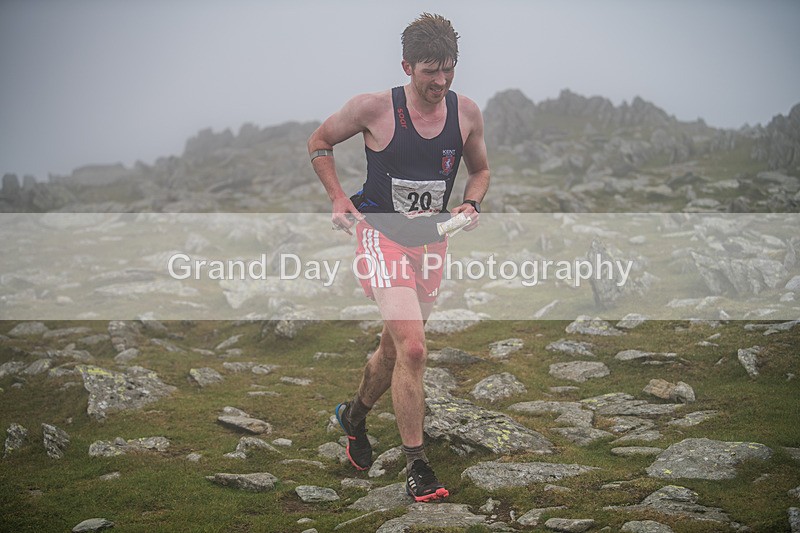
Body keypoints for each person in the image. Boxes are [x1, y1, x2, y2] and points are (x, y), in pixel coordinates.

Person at [307, 12, 490, 502]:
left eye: (449, 68)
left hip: (431, 242)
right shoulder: (374, 108)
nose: (441, 80)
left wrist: (471, 203)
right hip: (379, 235)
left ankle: (355, 416)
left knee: (393, 351)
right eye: (431, 70)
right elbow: (319, 142)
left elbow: (481, 171)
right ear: (407, 66)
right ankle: (417, 465)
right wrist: (337, 197)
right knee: (413, 348)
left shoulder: (466, 113)